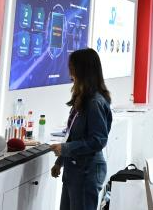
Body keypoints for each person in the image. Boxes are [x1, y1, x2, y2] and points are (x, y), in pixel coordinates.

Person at [50, 48, 113, 210]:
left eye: (72, 67)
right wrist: (60, 161)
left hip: (87, 172)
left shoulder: (94, 103)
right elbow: (73, 135)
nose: (70, 72)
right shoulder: (82, 99)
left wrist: (65, 149)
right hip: (74, 170)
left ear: (83, 70)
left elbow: (97, 140)